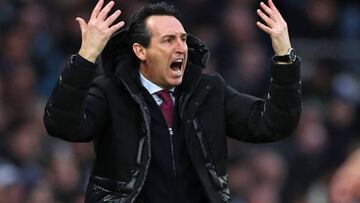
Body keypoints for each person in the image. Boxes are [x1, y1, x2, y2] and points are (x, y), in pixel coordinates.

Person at [43, 0, 302, 202]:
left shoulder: (209, 91)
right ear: (140, 50)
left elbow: (274, 123)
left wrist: (284, 57)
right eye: (168, 40)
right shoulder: (111, 92)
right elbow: (61, 124)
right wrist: (85, 57)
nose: (181, 47)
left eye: (183, 39)